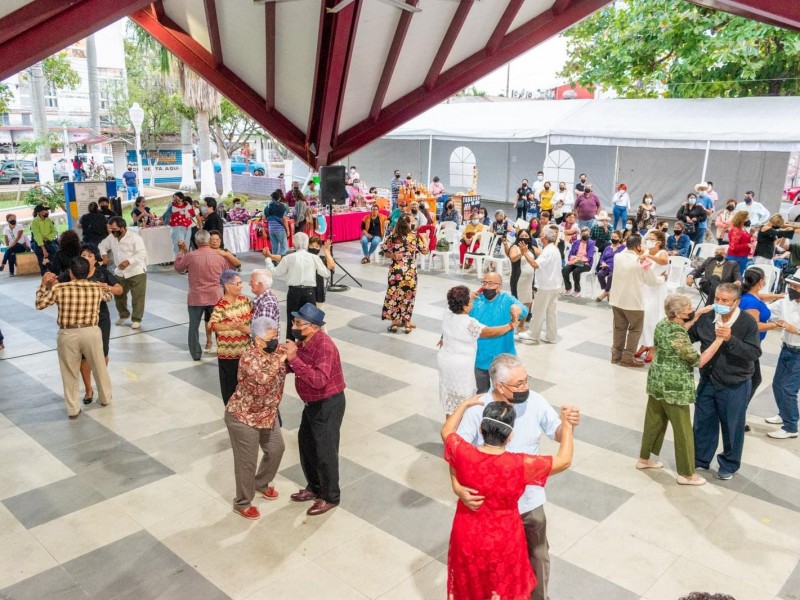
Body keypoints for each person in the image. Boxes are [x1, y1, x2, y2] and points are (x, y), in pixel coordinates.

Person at [452, 354, 580, 600]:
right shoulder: (478, 408)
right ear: (499, 386)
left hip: (529, 501)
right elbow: (457, 451)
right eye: (519, 384)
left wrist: (567, 425)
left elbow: (557, 433)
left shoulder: (536, 401)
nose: (526, 387)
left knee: (539, 555)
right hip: (490, 508)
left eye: (526, 380)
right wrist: (457, 486)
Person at [637, 294, 714, 486]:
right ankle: (686, 474)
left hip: (657, 382)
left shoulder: (664, 323)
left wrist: (698, 315)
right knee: (683, 431)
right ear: (679, 313)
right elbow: (698, 361)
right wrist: (719, 340)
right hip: (674, 387)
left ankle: (644, 459)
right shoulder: (678, 335)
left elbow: (680, 329)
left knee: (653, 421)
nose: (691, 310)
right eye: (689, 308)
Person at [689, 283, 761, 480]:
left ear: (736, 302)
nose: (719, 303)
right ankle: (700, 459)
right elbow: (688, 336)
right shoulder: (708, 317)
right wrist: (694, 316)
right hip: (708, 380)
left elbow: (754, 352)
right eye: (717, 300)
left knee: (732, 427)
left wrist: (731, 339)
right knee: (703, 422)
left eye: (725, 301)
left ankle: (729, 464)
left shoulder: (746, 322)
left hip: (734, 383)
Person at [282, 304, 346, 516]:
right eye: (294, 322)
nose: (294, 326)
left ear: (314, 327)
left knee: (325, 452)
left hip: (327, 404)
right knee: (307, 445)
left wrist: (293, 359)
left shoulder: (324, 346)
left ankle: (329, 497)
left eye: (298, 323)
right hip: (311, 404)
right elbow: (295, 366)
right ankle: (314, 487)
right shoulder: (304, 342)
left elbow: (319, 380)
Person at [34, 257, 113, 419]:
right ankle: (105, 398)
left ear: (71, 273)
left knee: (69, 372)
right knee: (99, 366)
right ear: (86, 271)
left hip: (68, 334)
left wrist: (43, 285)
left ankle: (73, 409)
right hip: (91, 331)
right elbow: (108, 297)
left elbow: (40, 304)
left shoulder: (60, 289)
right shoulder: (95, 288)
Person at [225, 316, 287, 520]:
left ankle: (261, 482)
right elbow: (262, 380)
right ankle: (242, 502)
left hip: (267, 413)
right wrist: (282, 359)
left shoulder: (275, 352)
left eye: (276, 336)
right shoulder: (248, 357)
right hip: (244, 417)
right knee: (247, 463)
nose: (274, 341)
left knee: (277, 449)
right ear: (258, 340)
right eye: (271, 338)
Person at [437, 286, 519, 415]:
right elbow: (491, 332)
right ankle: (458, 429)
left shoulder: (448, 312)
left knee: (450, 396)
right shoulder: (469, 323)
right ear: (464, 307)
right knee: (462, 400)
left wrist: (471, 294)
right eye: (470, 302)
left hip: (445, 360)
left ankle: (450, 427)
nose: (472, 303)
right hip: (460, 367)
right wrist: (512, 324)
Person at [263, 232, 334, 340]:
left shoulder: (289, 258)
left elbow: (275, 273)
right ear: (307, 244)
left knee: (291, 321)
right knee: (309, 322)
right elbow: (326, 274)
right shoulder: (314, 258)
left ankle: (289, 348)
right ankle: (308, 346)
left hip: (293, 292)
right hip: (309, 292)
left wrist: (268, 259)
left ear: (294, 243)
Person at [77, 244, 123, 405]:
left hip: (101, 318)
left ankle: (101, 385)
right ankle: (88, 389)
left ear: (96, 259)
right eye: (83, 255)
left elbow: (119, 289)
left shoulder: (102, 273)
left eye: (89, 255)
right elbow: (57, 285)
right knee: (84, 357)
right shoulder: (74, 272)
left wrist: (108, 287)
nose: (86, 258)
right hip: (81, 320)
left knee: (102, 354)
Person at [174, 230, 229, 360]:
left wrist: (181, 252)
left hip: (196, 297)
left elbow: (178, 267)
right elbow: (226, 274)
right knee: (220, 325)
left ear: (196, 241)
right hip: (216, 296)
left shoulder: (191, 256)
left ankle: (196, 354)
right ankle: (223, 351)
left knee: (194, 326)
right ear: (209, 241)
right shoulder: (219, 256)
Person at [609, 234, 662, 367]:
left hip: (617, 300)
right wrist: (662, 278)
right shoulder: (641, 261)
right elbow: (652, 281)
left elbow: (626, 252)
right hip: (634, 302)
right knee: (635, 330)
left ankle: (616, 356)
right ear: (638, 246)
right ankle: (627, 357)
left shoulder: (618, 256)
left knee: (619, 328)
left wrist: (642, 252)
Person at [469, 273, 527, 392]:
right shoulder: (476, 300)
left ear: (499, 287)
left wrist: (517, 309)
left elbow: (524, 310)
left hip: (504, 356)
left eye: (491, 284)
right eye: (484, 283)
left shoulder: (506, 299)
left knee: (506, 391)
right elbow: (460, 318)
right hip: (481, 357)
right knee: (482, 392)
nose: (486, 287)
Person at [765, 273, 800, 439]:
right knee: (777, 384)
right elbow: (766, 311)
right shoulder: (785, 301)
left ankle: (791, 427)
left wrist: (797, 331)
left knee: (789, 389)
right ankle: (783, 413)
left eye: (796, 286)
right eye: (791, 285)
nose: (792, 289)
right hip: (786, 348)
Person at [209, 270, 253, 405]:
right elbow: (212, 325)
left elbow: (254, 319)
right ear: (228, 286)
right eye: (238, 283)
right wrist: (229, 327)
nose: (241, 286)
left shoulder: (245, 301)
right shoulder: (221, 306)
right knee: (230, 388)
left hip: (246, 354)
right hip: (228, 356)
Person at [381, 216, 429, 333]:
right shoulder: (414, 236)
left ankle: (394, 322)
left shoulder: (392, 237)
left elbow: (384, 250)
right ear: (408, 224)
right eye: (412, 221)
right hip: (409, 272)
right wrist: (425, 239)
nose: (413, 223)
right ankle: (407, 322)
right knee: (409, 296)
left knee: (394, 295)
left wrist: (393, 256)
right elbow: (425, 251)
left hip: (395, 271)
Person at [98, 217, 148, 329]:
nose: (112, 231)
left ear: (123, 228)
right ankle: (124, 314)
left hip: (136, 271)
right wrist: (104, 254)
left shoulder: (135, 238)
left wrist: (128, 261)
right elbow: (102, 245)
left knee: (137, 297)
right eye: (110, 229)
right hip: (120, 272)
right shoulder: (111, 237)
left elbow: (142, 254)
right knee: (118, 294)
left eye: (114, 229)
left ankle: (136, 319)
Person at [739, 268, 777, 408]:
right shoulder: (751, 303)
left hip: (749, 343)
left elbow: (760, 297)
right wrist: (775, 325)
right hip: (749, 344)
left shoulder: (750, 296)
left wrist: (778, 296)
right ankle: (738, 411)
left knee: (753, 379)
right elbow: (755, 326)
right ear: (761, 281)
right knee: (754, 379)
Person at [520, 228, 561, 344]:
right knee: (552, 313)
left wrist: (524, 253)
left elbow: (534, 264)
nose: (540, 237)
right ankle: (552, 336)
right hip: (555, 285)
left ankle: (533, 334)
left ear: (546, 238)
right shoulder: (554, 249)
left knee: (538, 311)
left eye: (542, 235)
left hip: (546, 286)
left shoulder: (548, 251)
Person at [636, 229, 669, 363]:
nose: (648, 241)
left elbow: (663, 262)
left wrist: (648, 256)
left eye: (651, 239)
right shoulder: (646, 251)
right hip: (645, 288)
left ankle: (653, 346)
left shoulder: (663, 252)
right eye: (648, 238)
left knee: (654, 317)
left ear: (659, 242)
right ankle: (644, 343)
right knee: (643, 316)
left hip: (657, 289)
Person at [503, 229, 536, 336]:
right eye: (522, 236)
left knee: (528, 301)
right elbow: (512, 259)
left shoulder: (531, 249)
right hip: (519, 279)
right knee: (518, 302)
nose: (524, 238)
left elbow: (543, 254)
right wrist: (522, 253)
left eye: (527, 236)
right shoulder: (515, 247)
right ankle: (513, 324)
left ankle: (522, 325)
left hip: (529, 280)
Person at [562, 226, 596, 297]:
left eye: (587, 235)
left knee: (576, 271)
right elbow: (571, 253)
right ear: (581, 235)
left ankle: (577, 290)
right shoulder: (576, 242)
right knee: (565, 270)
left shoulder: (591, 243)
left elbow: (589, 256)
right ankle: (568, 288)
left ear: (589, 234)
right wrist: (575, 259)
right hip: (575, 261)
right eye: (584, 235)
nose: (585, 236)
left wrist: (579, 259)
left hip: (586, 263)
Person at [595, 230, 625, 302]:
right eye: (612, 237)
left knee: (610, 277)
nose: (613, 238)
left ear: (620, 238)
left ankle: (604, 293)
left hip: (616, 268)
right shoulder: (607, 248)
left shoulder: (623, 248)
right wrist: (602, 263)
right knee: (599, 274)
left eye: (615, 237)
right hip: (606, 267)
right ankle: (607, 292)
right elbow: (602, 258)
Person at [31, 204, 59, 275]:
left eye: (47, 211)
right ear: (39, 212)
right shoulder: (35, 221)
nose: (47, 212)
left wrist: (48, 237)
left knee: (54, 263)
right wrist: (43, 249)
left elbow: (55, 231)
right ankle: (45, 282)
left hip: (50, 243)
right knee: (42, 265)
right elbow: (37, 236)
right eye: (44, 211)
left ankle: (55, 280)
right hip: (39, 245)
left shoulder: (49, 220)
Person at [726, 210, 753, 275]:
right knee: (735, 276)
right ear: (742, 219)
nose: (748, 220)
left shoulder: (742, 228)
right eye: (746, 218)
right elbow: (733, 247)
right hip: (736, 257)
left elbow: (742, 240)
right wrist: (747, 245)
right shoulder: (736, 230)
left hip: (743, 256)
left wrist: (750, 235)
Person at [265, 190, 290, 256]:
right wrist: (287, 230)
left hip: (271, 229)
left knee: (274, 247)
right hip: (280, 229)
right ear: (279, 198)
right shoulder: (281, 206)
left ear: (272, 197)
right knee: (284, 247)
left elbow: (264, 218)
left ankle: (274, 260)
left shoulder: (267, 207)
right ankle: (278, 259)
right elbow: (284, 219)